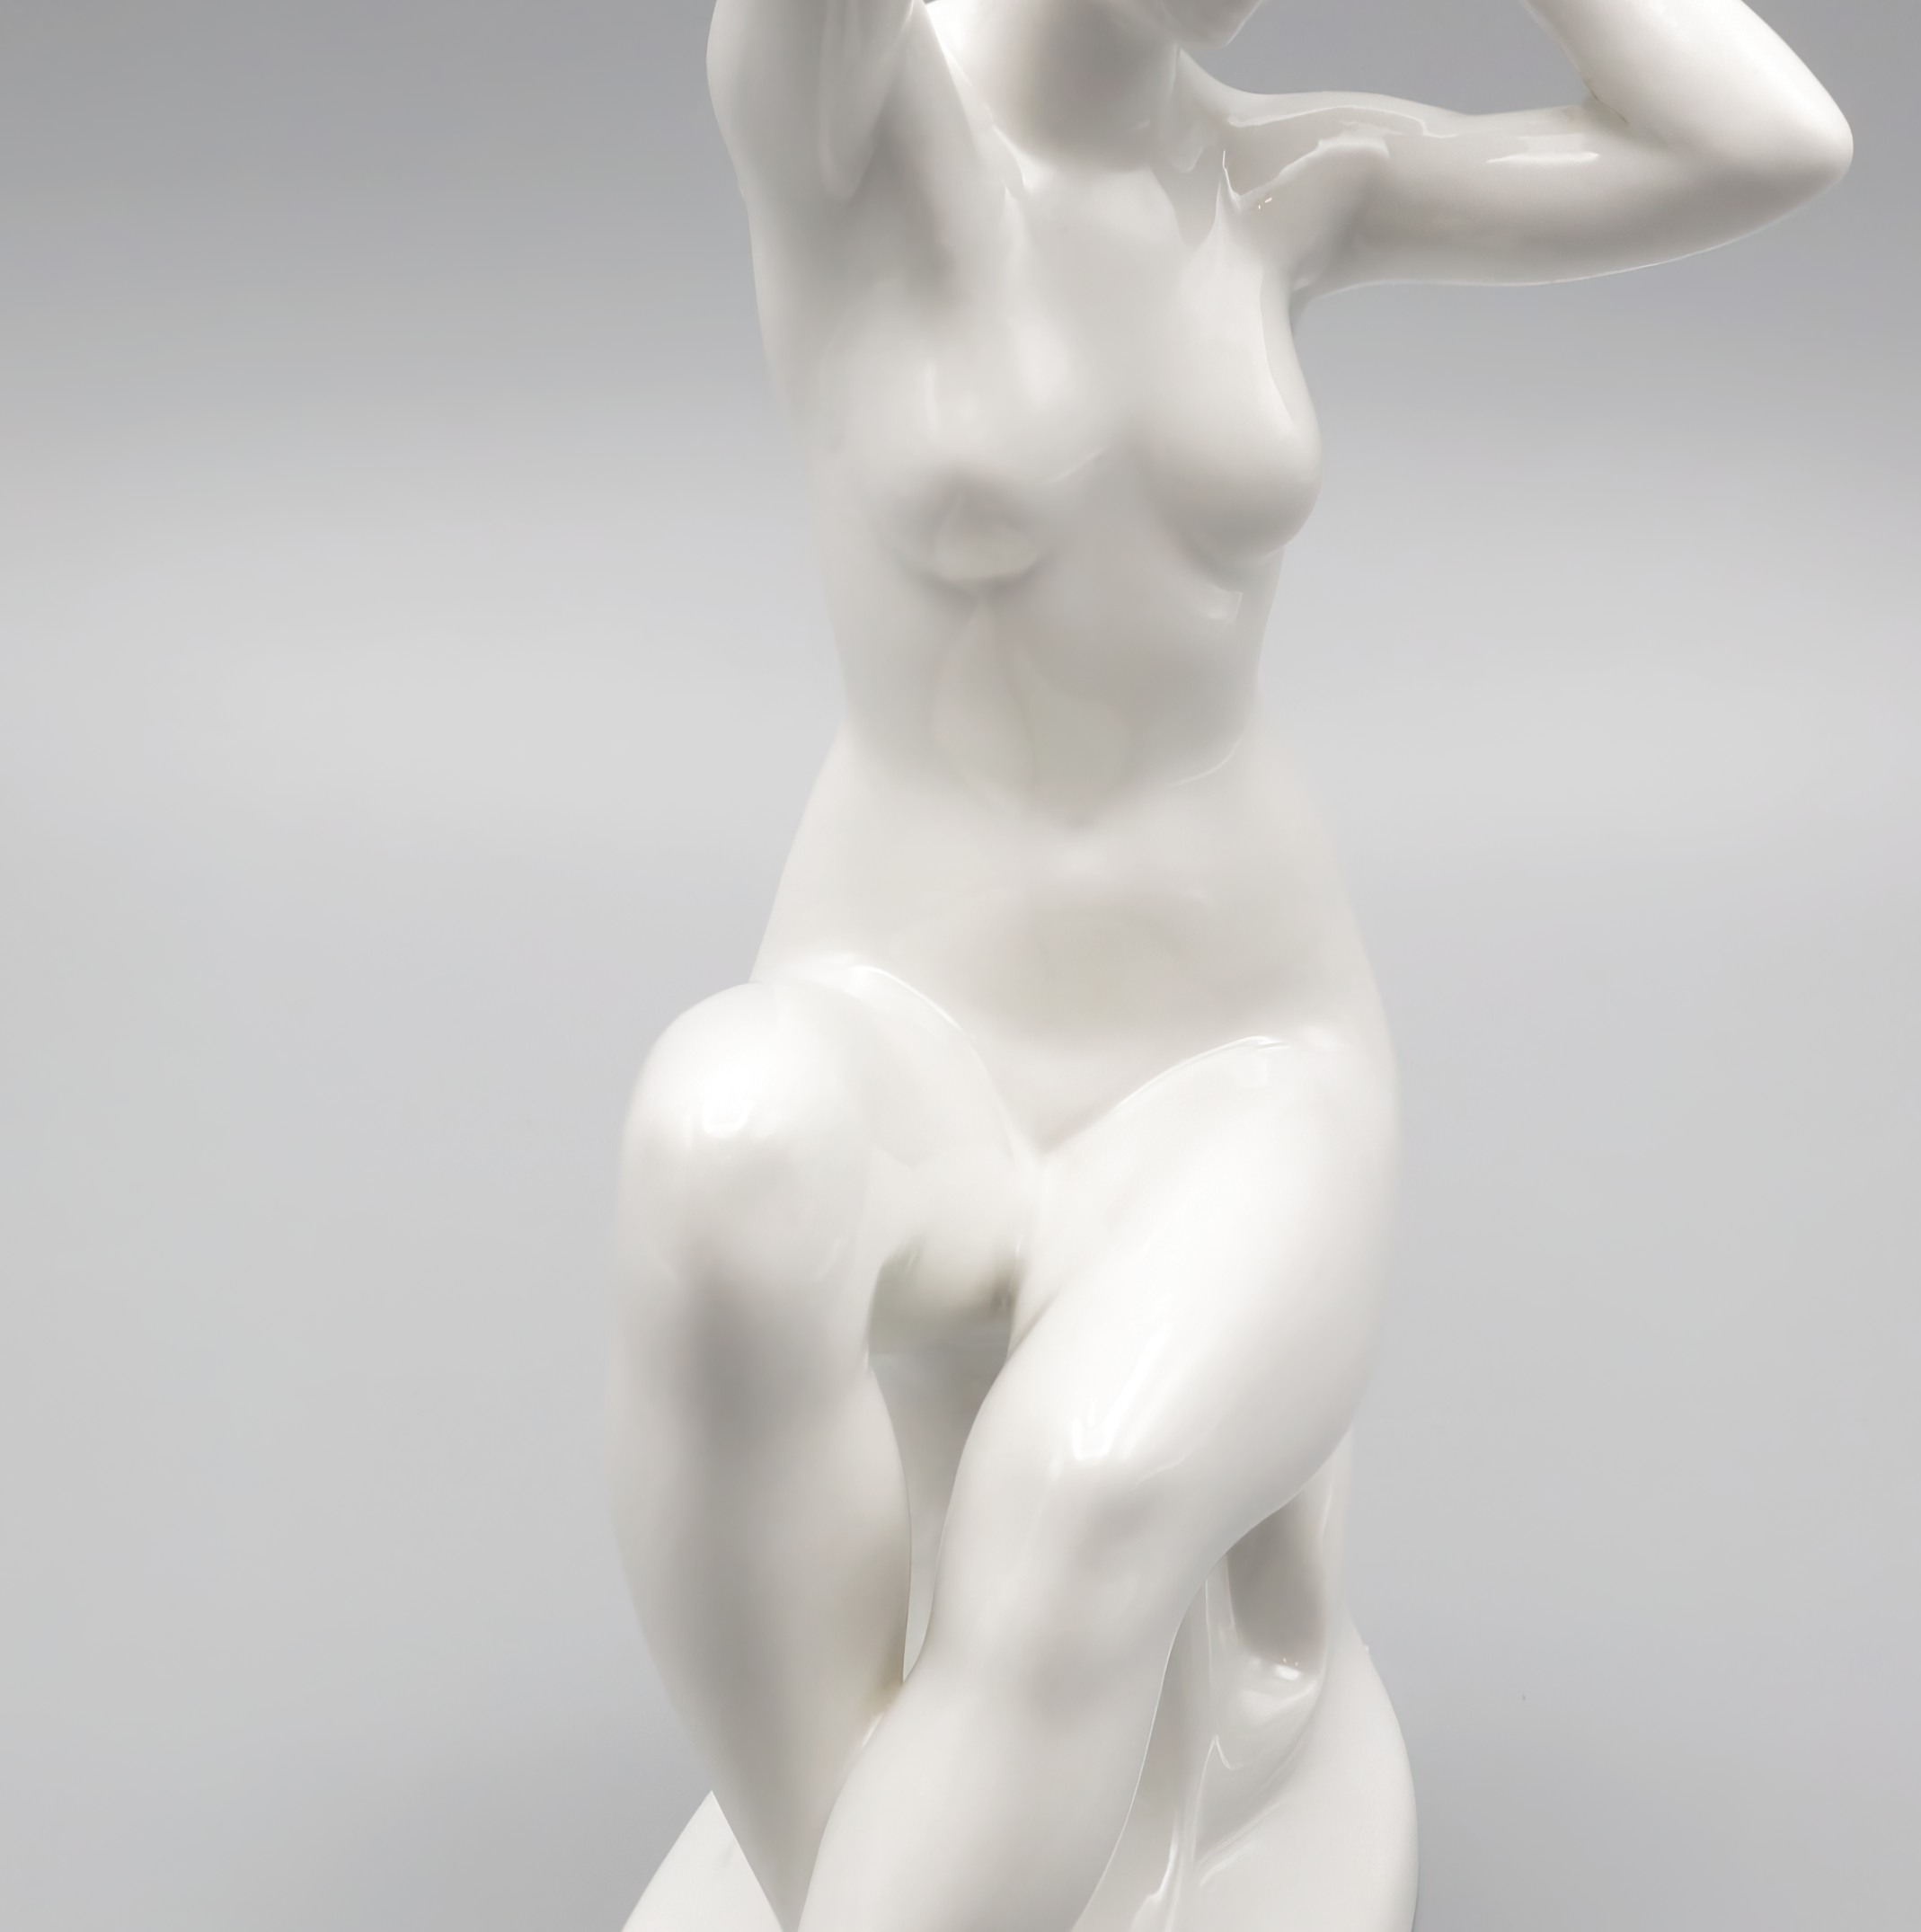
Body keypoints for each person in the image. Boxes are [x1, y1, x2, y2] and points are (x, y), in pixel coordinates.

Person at [610, 4, 1850, 1931]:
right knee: (715, 1144)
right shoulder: (851, 132)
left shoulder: (1288, 184)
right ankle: (853, 1874)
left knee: (1083, 1487)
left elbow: (1762, 142)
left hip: (1234, 1051)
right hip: (902, 1017)